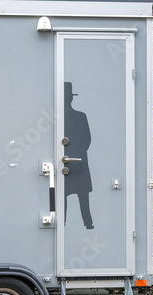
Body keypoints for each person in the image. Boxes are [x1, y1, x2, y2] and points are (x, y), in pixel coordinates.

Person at [64, 82, 94, 229]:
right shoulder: (79, 117)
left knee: (82, 196)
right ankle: (87, 224)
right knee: (74, 195)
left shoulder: (80, 117)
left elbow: (87, 139)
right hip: (79, 161)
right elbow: (86, 140)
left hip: (78, 162)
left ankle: (87, 223)